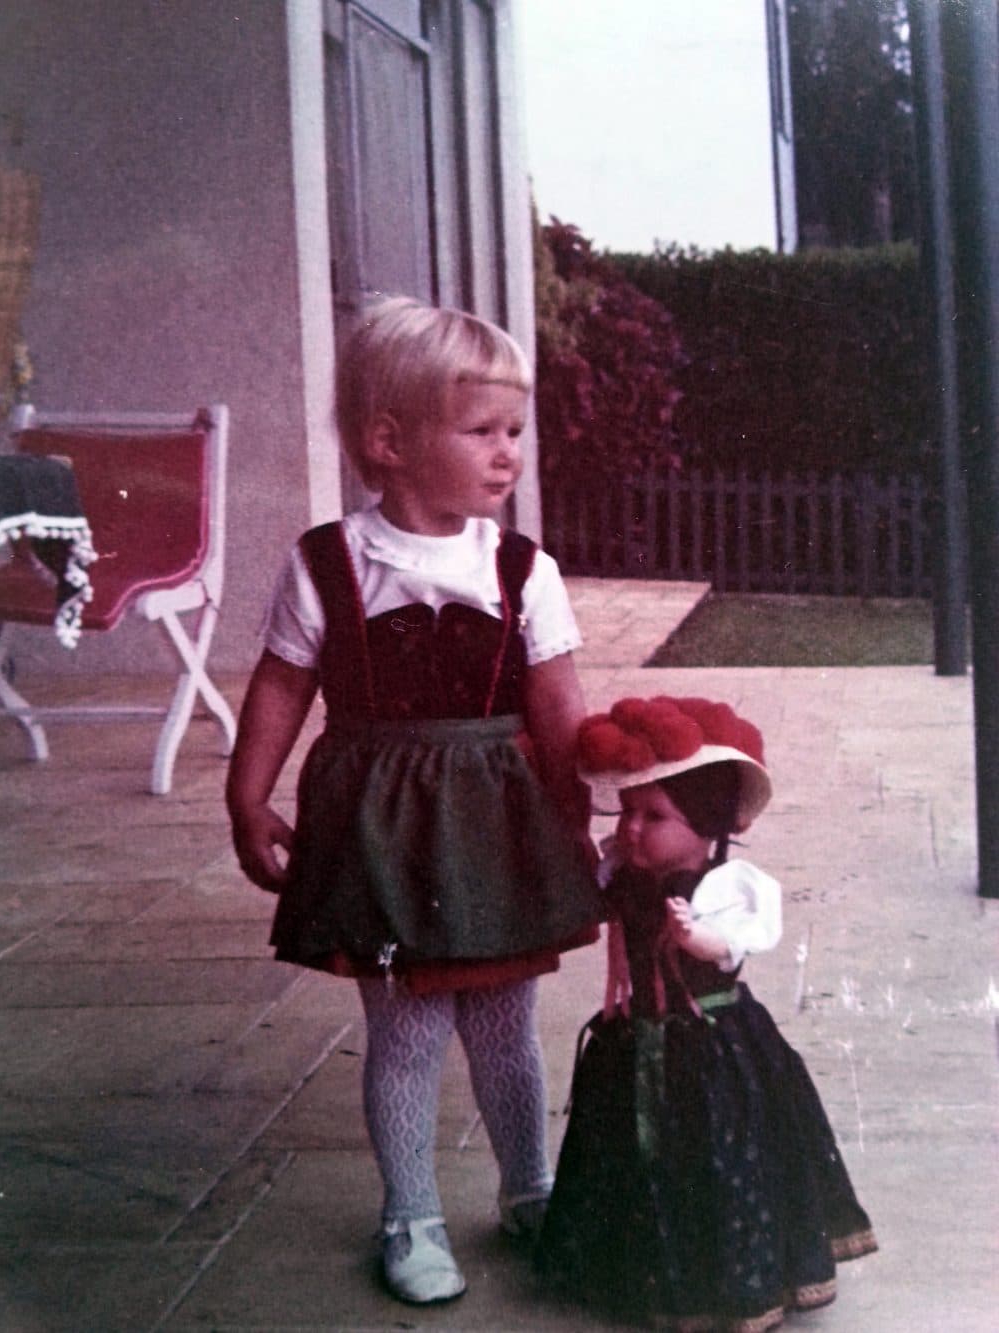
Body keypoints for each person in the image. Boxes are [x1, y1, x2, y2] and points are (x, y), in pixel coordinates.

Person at [225, 297, 601, 1306]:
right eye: (480, 431)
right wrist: (247, 794)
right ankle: (411, 1212)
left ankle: (530, 1188)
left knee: (505, 1024)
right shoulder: (327, 565)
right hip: (383, 836)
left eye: (512, 431)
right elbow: (278, 686)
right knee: (405, 1033)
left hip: (498, 828)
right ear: (387, 443)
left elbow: (559, 705)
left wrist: (591, 806)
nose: (506, 453)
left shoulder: (524, 570)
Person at [535, 694, 877, 1331]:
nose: (632, 828)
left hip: (711, 1041)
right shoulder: (625, 875)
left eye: (654, 815)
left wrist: (698, 939)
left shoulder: (726, 889)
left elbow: (731, 950)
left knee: (718, 1154)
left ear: (707, 824)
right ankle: (643, 1270)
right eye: (628, 811)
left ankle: (730, 1275)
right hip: (635, 1037)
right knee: (634, 1152)